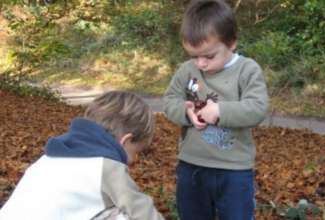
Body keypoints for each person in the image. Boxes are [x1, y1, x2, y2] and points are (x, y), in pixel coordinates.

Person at [162, 0, 269, 219]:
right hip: (192, 166)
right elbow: (170, 99)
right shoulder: (187, 70)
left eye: (209, 56)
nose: (201, 63)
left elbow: (257, 108)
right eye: (193, 56)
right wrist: (186, 111)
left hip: (235, 169)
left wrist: (220, 111)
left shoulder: (246, 70)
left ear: (231, 43)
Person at [0, 90, 165, 220]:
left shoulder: (52, 156)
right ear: (125, 141)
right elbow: (141, 210)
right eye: (135, 152)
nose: (132, 160)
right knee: (120, 215)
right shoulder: (106, 166)